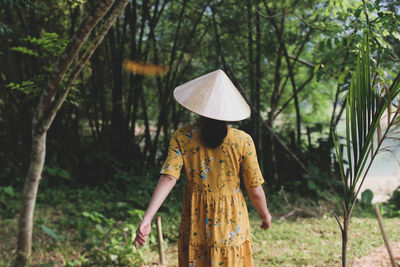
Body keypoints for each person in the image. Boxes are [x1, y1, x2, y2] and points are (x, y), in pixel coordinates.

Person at [134, 69, 271, 266]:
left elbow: (169, 177)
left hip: (195, 220)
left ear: (199, 104)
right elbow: (254, 188)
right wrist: (264, 215)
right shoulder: (242, 141)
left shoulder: (183, 136)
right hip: (231, 221)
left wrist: (147, 218)